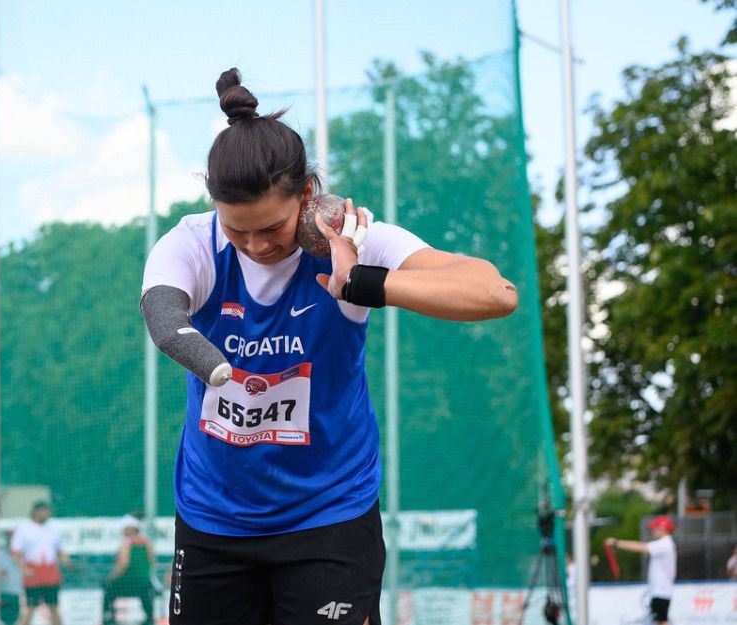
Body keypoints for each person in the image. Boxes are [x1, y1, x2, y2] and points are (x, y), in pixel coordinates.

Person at [140, 67, 518, 625]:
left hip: (329, 515)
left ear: (307, 196)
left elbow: (494, 292)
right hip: (214, 518)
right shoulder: (192, 244)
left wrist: (362, 281)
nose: (255, 246)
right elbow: (163, 315)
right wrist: (212, 363)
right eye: (238, 230)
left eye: (271, 228)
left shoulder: (355, 241)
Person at [605, 515, 677, 625]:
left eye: (655, 528)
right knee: (659, 621)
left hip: (661, 591)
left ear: (662, 529)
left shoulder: (664, 544)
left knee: (662, 621)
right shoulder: (665, 543)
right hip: (660, 591)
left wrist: (617, 543)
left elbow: (640, 547)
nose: (653, 530)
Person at [11, 500, 71, 625]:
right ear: (36, 511)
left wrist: (67, 562)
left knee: (53, 607)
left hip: (50, 573)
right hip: (33, 573)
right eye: (44, 511)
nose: (47, 514)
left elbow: (59, 551)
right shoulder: (24, 528)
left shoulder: (53, 528)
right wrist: (24, 569)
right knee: (30, 607)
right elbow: (16, 553)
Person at [102, 514, 157, 625]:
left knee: (108, 590)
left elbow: (123, 564)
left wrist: (111, 578)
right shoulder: (146, 542)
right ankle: (149, 618)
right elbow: (152, 561)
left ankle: (109, 617)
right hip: (144, 583)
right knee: (146, 595)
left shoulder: (126, 542)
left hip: (127, 583)